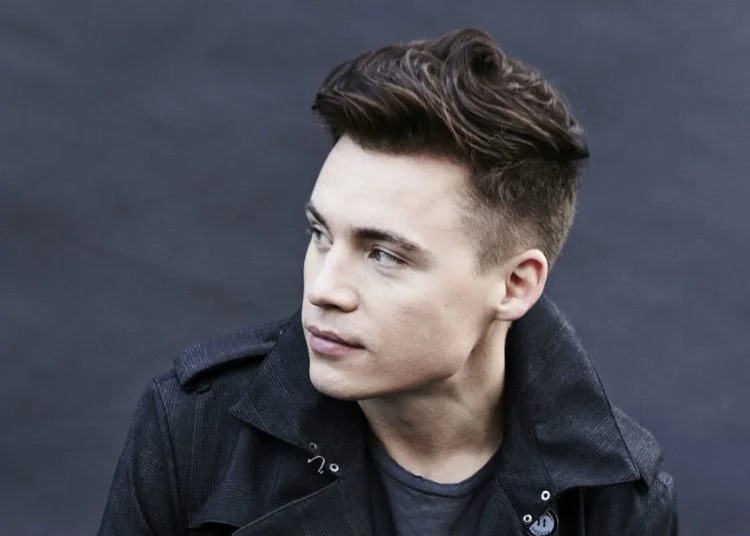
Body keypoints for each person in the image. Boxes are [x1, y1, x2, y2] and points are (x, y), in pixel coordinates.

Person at [97, 27, 677, 535]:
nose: (324, 289)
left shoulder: (614, 498)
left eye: (384, 255)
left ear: (515, 285)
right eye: (320, 233)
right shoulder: (195, 430)